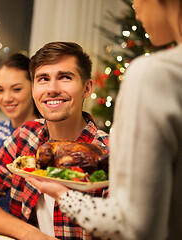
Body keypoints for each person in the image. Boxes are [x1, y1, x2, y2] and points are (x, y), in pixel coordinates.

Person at [28, 1, 182, 239]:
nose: (133, 5)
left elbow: (137, 226)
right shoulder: (28, 135)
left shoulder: (155, 73)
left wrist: (63, 194)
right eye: (43, 79)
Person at [0, 42, 109, 240]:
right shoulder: (26, 136)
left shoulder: (108, 153)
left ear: (87, 87)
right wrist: (29, 233)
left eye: (65, 77)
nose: (52, 89)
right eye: (43, 79)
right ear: (33, 89)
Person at [0, 53, 41, 212]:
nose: (6, 98)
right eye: (0, 90)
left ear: (33, 88)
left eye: (16, 89)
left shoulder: (46, 134)